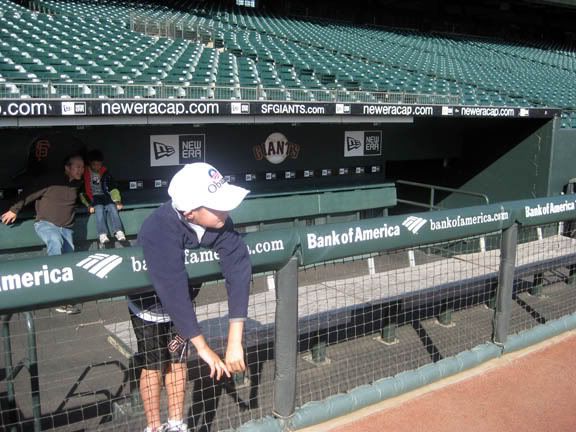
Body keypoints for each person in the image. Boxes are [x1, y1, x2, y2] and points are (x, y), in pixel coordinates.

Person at [129, 162, 251, 432]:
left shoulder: (219, 222)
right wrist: (204, 348)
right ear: (190, 212)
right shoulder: (158, 228)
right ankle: (154, 426)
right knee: (153, 365)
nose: (227, 210)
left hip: (182, 305)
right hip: (148, 306)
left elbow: (239, 266)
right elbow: (172, 290)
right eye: (217, 205)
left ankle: (176, 423)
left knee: (178, 361)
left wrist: (234, 342)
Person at [1, 154, 85, 314]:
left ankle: (65, 300)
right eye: (78, 166)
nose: (81, 170)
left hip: (66, 229)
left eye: (82, 167)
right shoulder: (51, 179)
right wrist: (14, 209)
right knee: (55, 241)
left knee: (67, 260)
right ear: (67, 167)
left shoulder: (78, 183)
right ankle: (55, 295)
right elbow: (30, 193)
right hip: (46, 224)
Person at [80, 149, 126, 246]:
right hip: (94, 198)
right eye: (94, 164)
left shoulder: (105, 172)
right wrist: (89, 205)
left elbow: (113, 188)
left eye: (99, 164)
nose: (97, 167)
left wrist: (117, 201)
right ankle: (102, 234)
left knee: (112, 208)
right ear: (89, 163)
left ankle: (118, 231)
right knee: (99, 209)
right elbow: (81, 193)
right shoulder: (84, 173)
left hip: (105, 195)